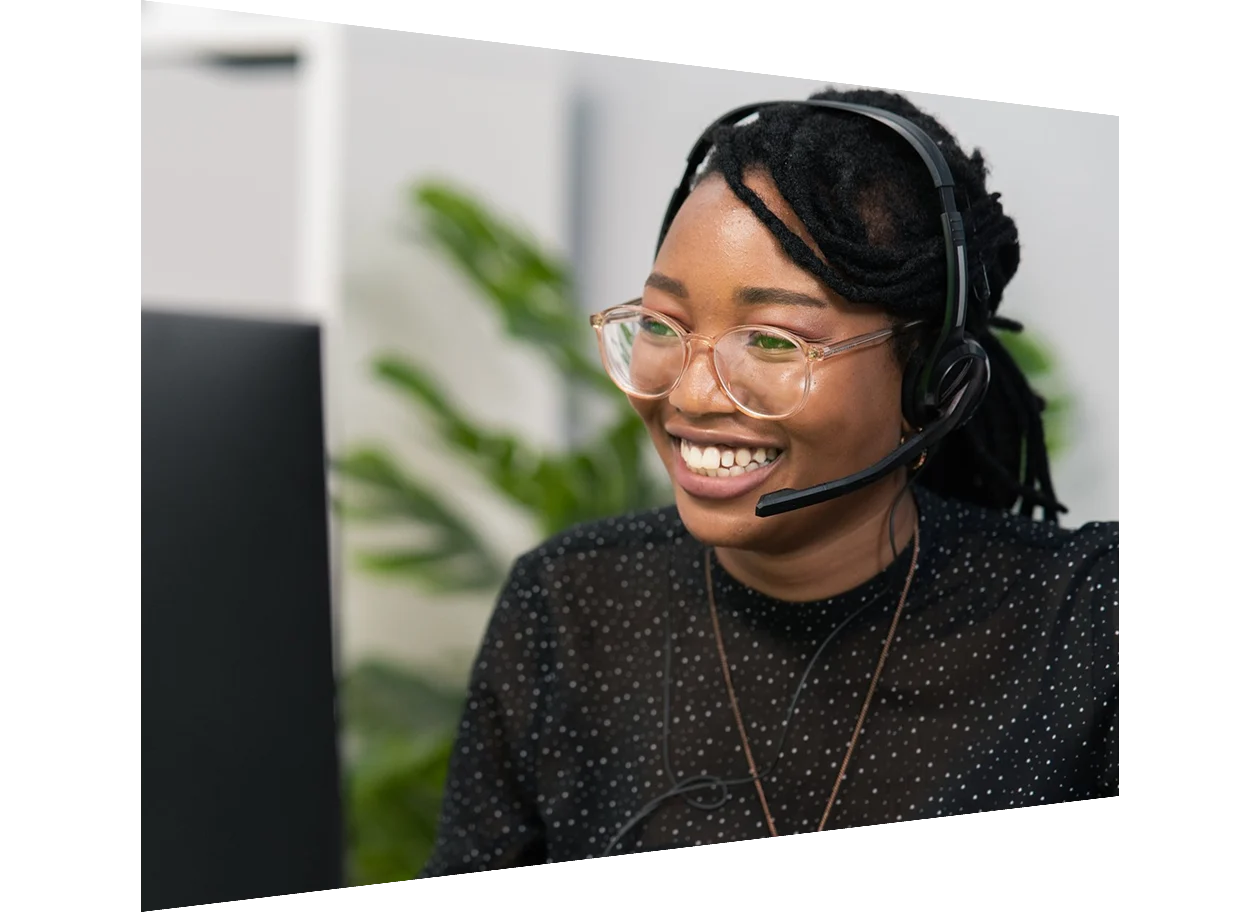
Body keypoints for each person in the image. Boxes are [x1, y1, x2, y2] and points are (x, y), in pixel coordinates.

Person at [418, 88, 1120, 876]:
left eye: (774, 341)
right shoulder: (570, 606)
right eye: (661, 325)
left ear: (929, 380)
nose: (689, 395)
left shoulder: (1088, 626)